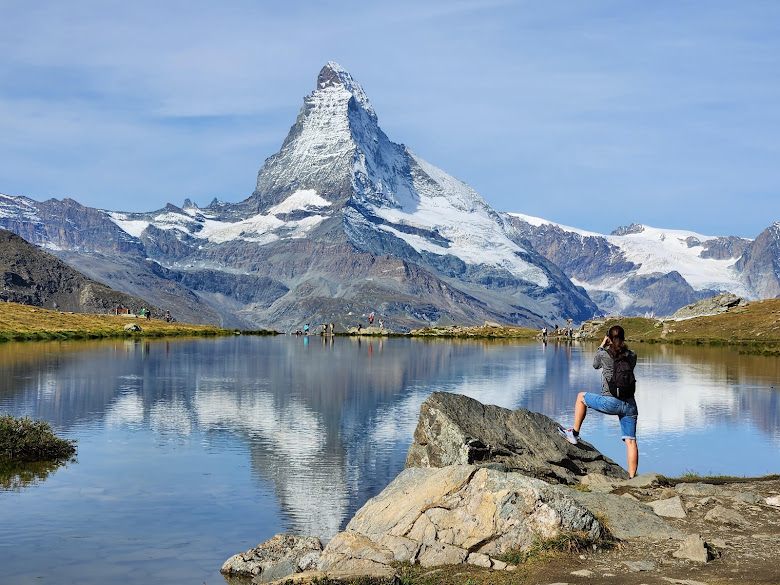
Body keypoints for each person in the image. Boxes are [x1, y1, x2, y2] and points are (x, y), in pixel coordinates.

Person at [557, 325, 639, 478]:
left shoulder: (604, 354)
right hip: (630, 405)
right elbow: (627, 360)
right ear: (623, 337)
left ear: (609, 338)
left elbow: (595, 365)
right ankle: (633, 477)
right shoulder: (632, 355)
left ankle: (574, 434)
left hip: (610, 402)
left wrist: (602, 346)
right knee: (631, 441)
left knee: (581, 396)